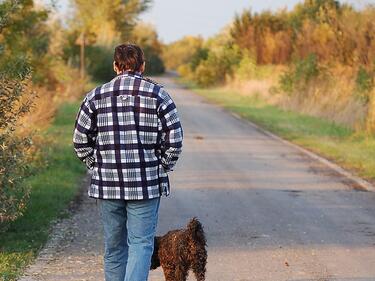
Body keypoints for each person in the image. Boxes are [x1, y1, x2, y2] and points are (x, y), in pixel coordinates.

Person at [72, 43, 183, 281]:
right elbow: (174, 140)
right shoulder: (159, 95)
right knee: (141, 244)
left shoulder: (94, 96)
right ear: (142, 66)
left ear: (115, 66)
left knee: (114, 247)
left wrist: (97, 166)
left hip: (108, 184)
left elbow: (80, 141)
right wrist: (160, 165)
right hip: (145, 184)